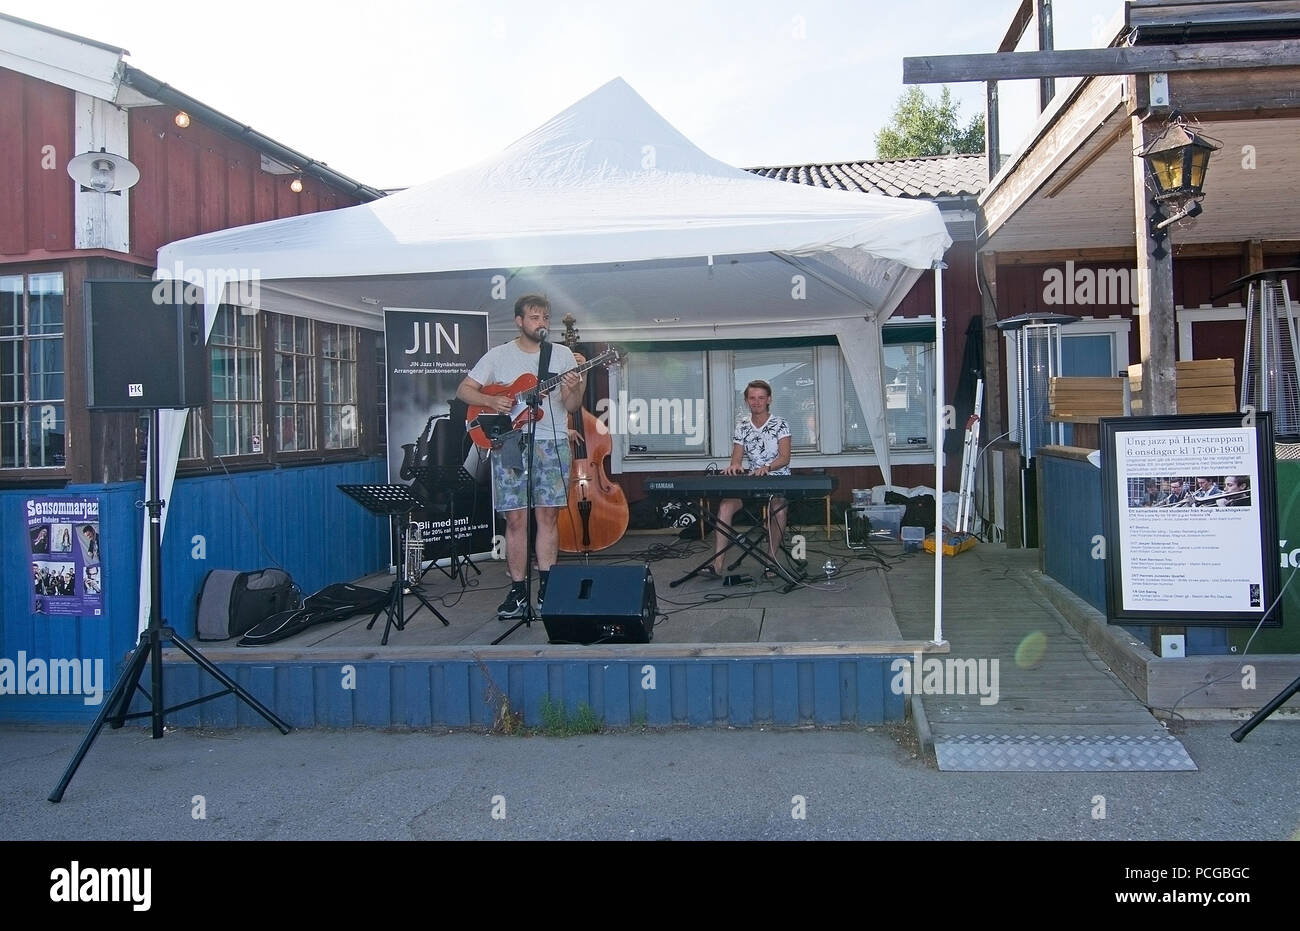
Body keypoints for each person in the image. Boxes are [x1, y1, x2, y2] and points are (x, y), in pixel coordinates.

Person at [456, 294, 582, 619]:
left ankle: (548, 588)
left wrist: (574, 386)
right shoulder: (498, 356)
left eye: (545, 318)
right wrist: (490, 399)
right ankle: (517, 592)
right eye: (535, 317)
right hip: (511, 441)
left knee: (548, 517)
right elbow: (464, 391)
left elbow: (571, 407)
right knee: (515, 518)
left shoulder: (563, 355)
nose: (542, 323)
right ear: (519, 321)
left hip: (552, 442)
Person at [709, 379, 792, 579]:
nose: (756, 402)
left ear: (769, 399)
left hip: (777, 479)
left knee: (778, 510)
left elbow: (784, 458)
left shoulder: (780, 424)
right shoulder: (742, 426)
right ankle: (717, 564)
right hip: (751, 481)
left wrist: (767, 468)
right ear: (747, 401)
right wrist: (735, 466)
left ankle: (771, 561)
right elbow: (736, 459)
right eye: (752, 398)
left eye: (761, 398)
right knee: (725, 507)